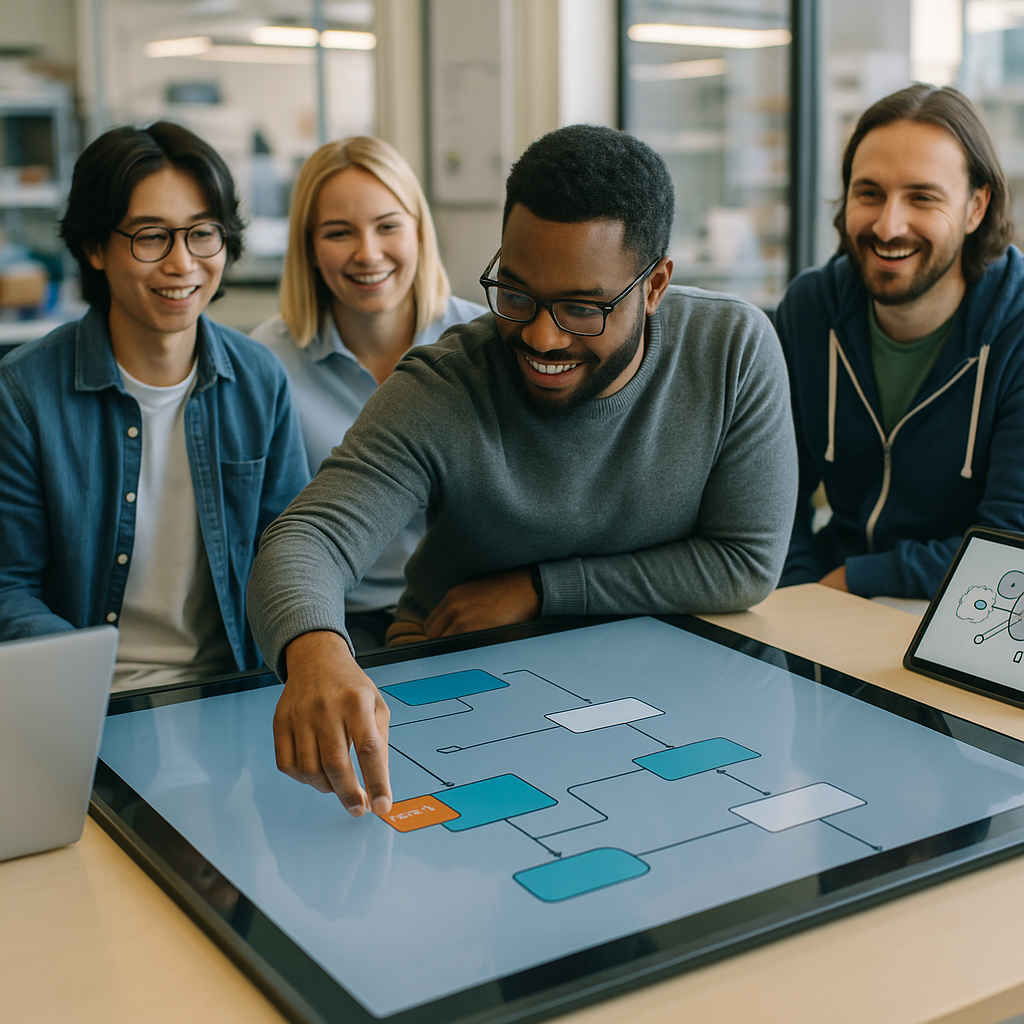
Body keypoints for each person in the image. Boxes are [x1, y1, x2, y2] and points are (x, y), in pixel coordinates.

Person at [247, 123, 798, 816]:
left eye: (582, 308)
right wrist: (316, 650)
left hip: (658, 685)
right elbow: (305, 542)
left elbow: (744, 564)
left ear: (654, 285)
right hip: (462, 686)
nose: (541, 336)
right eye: (516, 293)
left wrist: (541, 588)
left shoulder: (733, 349)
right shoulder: (445, 383)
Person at [0, 122, 309, 689]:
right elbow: (8, 586)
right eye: (150, 236)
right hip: (88, 701)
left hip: (230, 689)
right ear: (94, 246)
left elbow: (291, 553)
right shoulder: (23, 394)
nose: (182, 263)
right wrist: (80, 681)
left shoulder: (258, 379)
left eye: (201, 233)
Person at [778, 84, 1024, 600]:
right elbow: (772, 502)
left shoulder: (1017, 326)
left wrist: (855, 579)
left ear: (977, 207)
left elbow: (1010, 548)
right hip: (825, 593)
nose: (889, 225)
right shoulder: (809, 310)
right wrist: (803, 597)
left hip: (970, 613)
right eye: (869, 193)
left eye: (922, 197)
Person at [251, 136, 485, 651]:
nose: (368, 253)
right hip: (331, 624)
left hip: (471, 613)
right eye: (339, 232)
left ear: (419, 231)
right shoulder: (264, 363)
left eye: (388, 226)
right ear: (309, 247)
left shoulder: (486, 343)